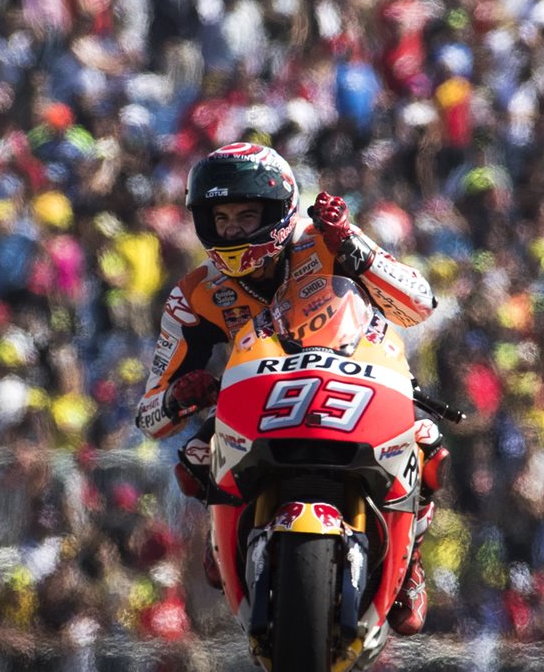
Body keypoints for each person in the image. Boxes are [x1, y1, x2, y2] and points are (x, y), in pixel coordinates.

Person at [135, 141, 447, 635]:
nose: (233, 230)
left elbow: (420, 304)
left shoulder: (325, 238)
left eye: (246, 215)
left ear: (278, 212)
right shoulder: (193, 295)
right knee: (193, 458)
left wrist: (354, 247)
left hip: (352, 381)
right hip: (257, 402)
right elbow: (149, 416)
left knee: (426, 440)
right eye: (222, 219)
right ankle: (222, 538)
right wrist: (180, 396)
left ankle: (410, 564)